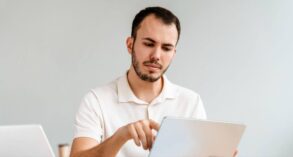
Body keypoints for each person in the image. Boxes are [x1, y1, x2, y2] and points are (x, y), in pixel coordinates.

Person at [70, 6, 222, 157]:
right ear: (130, 45)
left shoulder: (190, 102)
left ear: (173, 53)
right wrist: (121, 136)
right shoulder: (96, 101)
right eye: (149, 44)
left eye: (166, 48)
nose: (156, 55)